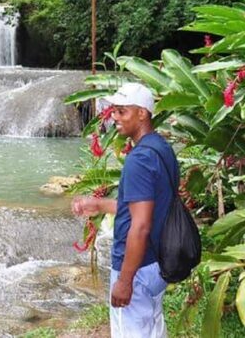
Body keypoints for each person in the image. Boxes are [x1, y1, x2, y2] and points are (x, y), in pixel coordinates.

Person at [71, 83, 176, 338]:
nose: (114, 117)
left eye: (122, 111)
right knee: (152, 328)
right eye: (114, 111)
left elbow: (140, 226)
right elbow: (147, 207)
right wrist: (100, 205)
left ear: (142, 113)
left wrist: (125, 280)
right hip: (157, 263)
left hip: (137, 268)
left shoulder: (139, 159)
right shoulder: (161, 149)